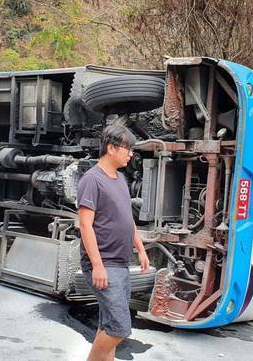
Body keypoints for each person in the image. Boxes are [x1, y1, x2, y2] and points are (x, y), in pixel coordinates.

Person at [77, 125, 150, 361]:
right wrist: (97, 265)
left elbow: (127, 219)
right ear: (111, 148)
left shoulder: (120, 179)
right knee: (119, 327)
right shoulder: (92, 180)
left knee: (108, 324)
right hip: (103, 264)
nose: (131, 154)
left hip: (120, 263)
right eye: (127, 148)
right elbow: (86, 225)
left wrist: (140, 249)